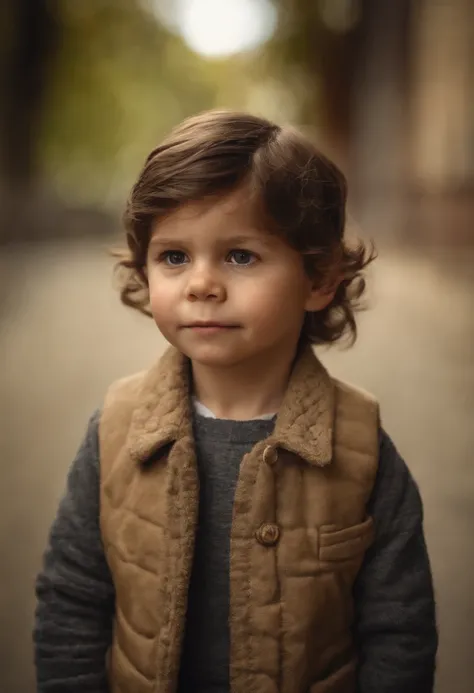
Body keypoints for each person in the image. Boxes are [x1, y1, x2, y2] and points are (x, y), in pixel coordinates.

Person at [34, 110, 437, 693]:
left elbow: (400, 630)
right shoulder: (117, 430)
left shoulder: (358, 447)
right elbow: (71, 600)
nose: (201, 284)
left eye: (240, 256)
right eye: (174, 257)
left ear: (319, 278)